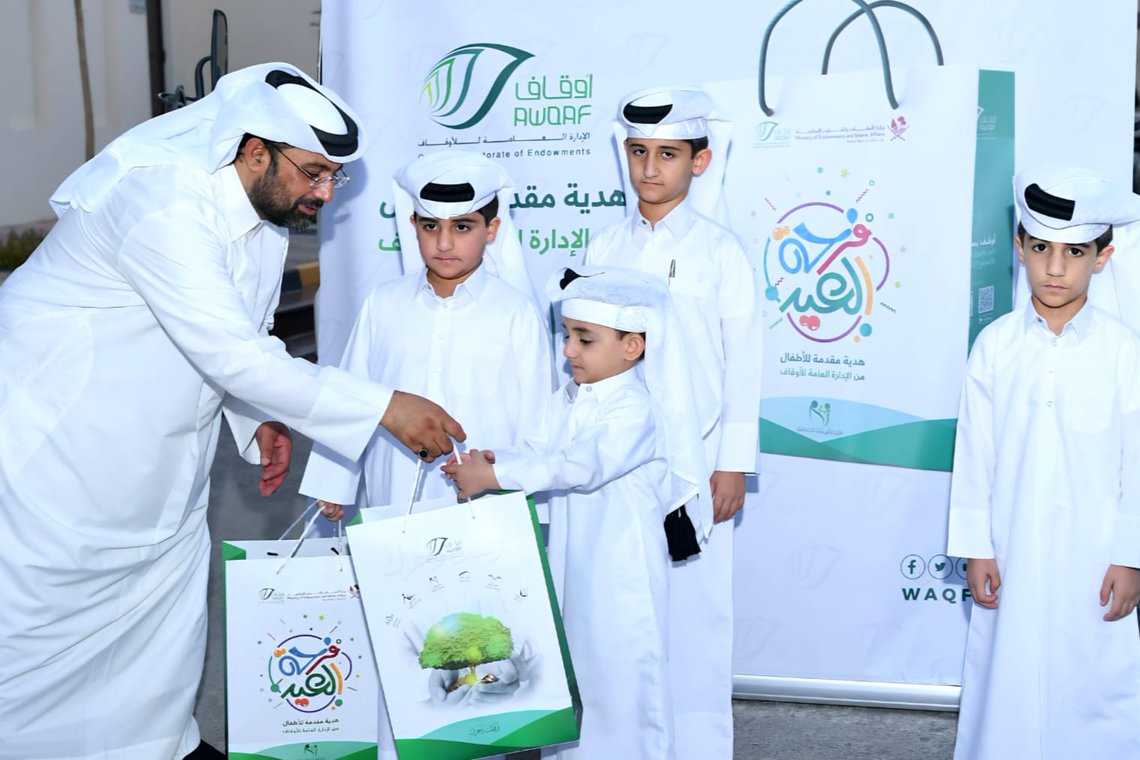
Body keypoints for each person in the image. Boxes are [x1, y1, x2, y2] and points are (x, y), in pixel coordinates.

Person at [0, 63, 463, 760]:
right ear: (254, 151)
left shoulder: (265, 217)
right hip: (58, 453)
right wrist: (384, 408)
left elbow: (246, 339)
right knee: (34, 648)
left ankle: (150, 747)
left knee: (153, 654)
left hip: (156, 463)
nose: (325, 192)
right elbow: (233, 355)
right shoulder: (162, 200)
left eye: (334, 176)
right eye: (314, 173)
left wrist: (257, 417)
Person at [300, 149, 553, 757]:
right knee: (398, 639)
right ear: (411, 225)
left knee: (476, 647)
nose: (444, 243)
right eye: (430, 226)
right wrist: (335, 483)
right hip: (396, 505)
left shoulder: (515, 313)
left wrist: (527, 509)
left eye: (462, 227)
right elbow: (352, 396)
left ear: (492, 229)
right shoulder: (383, 304)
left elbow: (536, 422)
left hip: (481, 515)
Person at [947, 166, 1140, 760]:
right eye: (1041, 248)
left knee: (1094, 674)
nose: (1054, 267)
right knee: (1006, 671)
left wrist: (1128, 558)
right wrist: (976, 547)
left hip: (1094, 552)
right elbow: (975, 453)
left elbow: (1138, 466)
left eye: (1074, 252)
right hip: (1010, 541)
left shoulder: (1123, 352)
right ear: (1019, 247)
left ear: (1102, 258)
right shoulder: (995, 345)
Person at [445, 266, 706, 759]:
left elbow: (581, 466)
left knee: (622, 678)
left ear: (632, 346)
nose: (568, 351)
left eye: (584, 339)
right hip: (571, 563)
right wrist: (491, 463)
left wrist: (497, 476)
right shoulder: (565, 399)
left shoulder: (634, 409)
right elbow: (536, 453)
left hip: (622, 570)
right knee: (573, 675)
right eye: (566, 336)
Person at [585, 86, 761, 758]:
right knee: (617, 615)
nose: (650, 168)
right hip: (617, 465)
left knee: (695, 620)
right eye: (639, 152)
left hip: (699, 464)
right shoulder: (602, 246)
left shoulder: (722, 252)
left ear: (700, 161)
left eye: (667, 154)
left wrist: (732, 463)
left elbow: (744, 361)